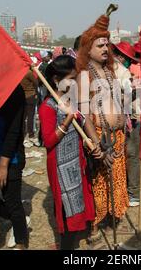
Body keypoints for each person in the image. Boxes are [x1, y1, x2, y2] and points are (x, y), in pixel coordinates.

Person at [75, 7, 129, 243]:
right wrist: (96, 145)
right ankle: (95, 226)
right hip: (100, 139)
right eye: (100, 45)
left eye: (107, 44)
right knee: (98, 184)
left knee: (116, 181)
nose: (106, 49)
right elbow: (85, 115)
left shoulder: (110, 71)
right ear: (88, 48)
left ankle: (112, 218)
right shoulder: (84, 75)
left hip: (117, 136)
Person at [39, 55, 95, 250]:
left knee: (78, 204)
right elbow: (48, 141)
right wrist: (66, 121)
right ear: (56, 80)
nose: (74, 83)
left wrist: (88, 142)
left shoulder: (68, 99)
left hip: (76, 162)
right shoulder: (47, 107)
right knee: (66, 207)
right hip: (60, 166)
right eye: (71, 78)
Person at [0, 83, 29, 250]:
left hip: (9, 159)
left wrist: (3, 165)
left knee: (12, 201)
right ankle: (19, 221)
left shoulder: (14, 89)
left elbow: (14, 130)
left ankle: (21, 240)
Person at [111, 41, 141, 206]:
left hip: (131, 117)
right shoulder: (121, 72)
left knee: (128, 155)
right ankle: (134, 194)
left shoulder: (123, 71)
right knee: (133, 156)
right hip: (130, 119)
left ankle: (128, 191)